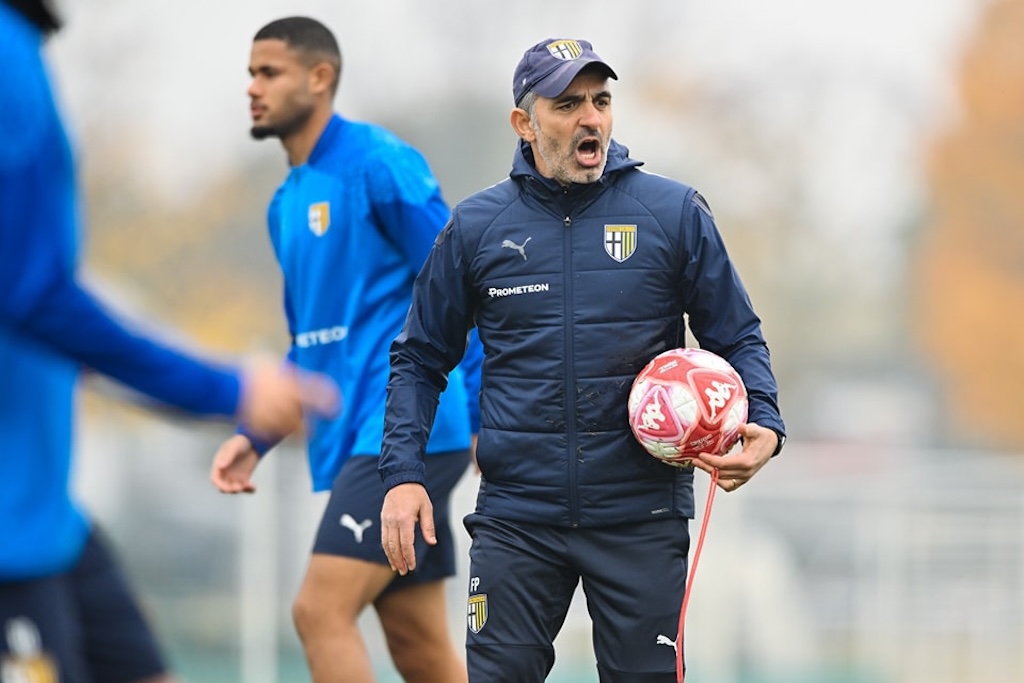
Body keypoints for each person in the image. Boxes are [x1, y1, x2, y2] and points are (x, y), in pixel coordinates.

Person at [380, 37, 787, 682]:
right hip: (517, 520)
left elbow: (736, 335)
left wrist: (764, 419)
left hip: (641, 518)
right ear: (525, 122)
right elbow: (420, 360)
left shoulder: (672, 213)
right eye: (567, 104)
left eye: (600, 100)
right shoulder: (477, 227)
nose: (590, 117)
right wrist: (403, 474)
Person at [0, 2, 338, 683]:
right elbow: (33, 293)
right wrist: (229, 388)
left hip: (48, 520)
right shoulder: (6, 57)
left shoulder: (21, 45)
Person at [208, 16, 481, 683]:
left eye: (268, 72)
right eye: (250, 74)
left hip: (407, 432)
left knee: (318, 610)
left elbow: (460, 286)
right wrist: (257, 434)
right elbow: (309, 342)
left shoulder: (379, 164)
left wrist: (477, 411)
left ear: (319, 77)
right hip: (354, 435)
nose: (253, 87)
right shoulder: (285, 204)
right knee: (414, 638)